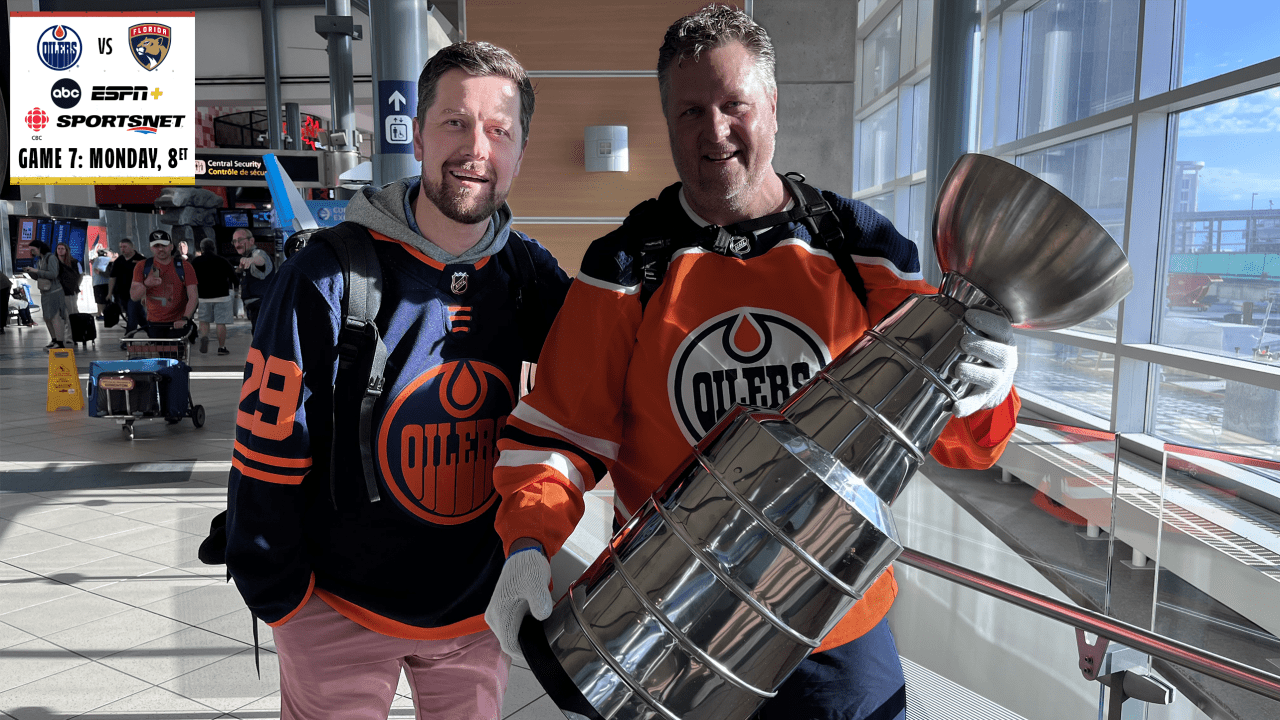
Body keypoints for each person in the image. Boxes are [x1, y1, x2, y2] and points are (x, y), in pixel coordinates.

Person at [483, 7, 1021, 720]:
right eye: (690, 111)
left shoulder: (863, 252)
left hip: (836, 632)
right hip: (671, 622)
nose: (715, 131)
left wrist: (986, 395)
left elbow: (955, 440)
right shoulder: (624, 265)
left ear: (772, 105)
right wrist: (527, 540)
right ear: (668, 121)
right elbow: (560, 437)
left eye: (734, 104)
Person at [224, 41, 571, 720]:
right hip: (338, 610)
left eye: (499, 131)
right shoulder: (326, 276)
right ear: (415, 134)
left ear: (520, 152)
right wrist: (283, 598)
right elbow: (265, 448)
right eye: (455, 122)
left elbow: (610, 377)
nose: (477, 147)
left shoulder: (528, 275)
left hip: (474, 613)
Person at [131, 230, 198, 339]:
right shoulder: (142, 267)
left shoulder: (184, 267)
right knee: (160, 354)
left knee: (176, 354)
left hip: (178, 323)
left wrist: (185, 318)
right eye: (156, 246)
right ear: (151, 248)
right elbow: (134, 296)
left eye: (164, 245)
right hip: (154, 323)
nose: (161, 249)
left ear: (171, 246)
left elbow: (193, 296)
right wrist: (146, 284)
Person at [189, 238, 237, 355]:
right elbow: (233, 277)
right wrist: (236, 288)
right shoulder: (222, 260)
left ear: (201, 249)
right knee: (221, 323)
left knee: (204, 321)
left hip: (203, 297)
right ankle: (221, 347)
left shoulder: (196, 261)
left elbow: (190, 279)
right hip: (222, 296)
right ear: (214, 248)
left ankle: (205, 337)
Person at [22, 241, 67, 349]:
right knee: (47, 318)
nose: (32, 252)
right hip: (45, 292)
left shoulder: (51, 258)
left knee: (54, 317)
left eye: (33, 249)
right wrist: (30, 272)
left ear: (39, 248)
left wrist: (36, 270)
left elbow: (53, 274)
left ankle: (60, 342)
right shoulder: (40, 260)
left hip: (54, 292)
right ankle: (54, 339)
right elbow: (38, 276)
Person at [232, 229, 274, 334]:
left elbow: (260, 259)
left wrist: (252, 260)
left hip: (262, 307)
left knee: (260, 339)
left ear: (252, 241)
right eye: (234, 241)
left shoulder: (257, 253)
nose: (237, 244)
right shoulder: (246, 258)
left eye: (240, 240)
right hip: (255, 308)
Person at [109, 238, 146, 337]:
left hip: (136, 295)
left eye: (125, 247)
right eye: (121, 247)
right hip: (122, 294)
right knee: (140, 318)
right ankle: (154, 335)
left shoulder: (141, 260)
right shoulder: (119, 261)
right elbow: (112, 277)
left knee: (132, 316)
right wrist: (109, 293)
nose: (122, 249)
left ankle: (128, 339)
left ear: (131, 247)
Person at [90, 248, 111, 319]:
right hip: (104, 282)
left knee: (99, 300)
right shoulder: (105, 259)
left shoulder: (96, 260)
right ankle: (103, 314)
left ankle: (99, 313)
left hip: (96, 283)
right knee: (103, 299)